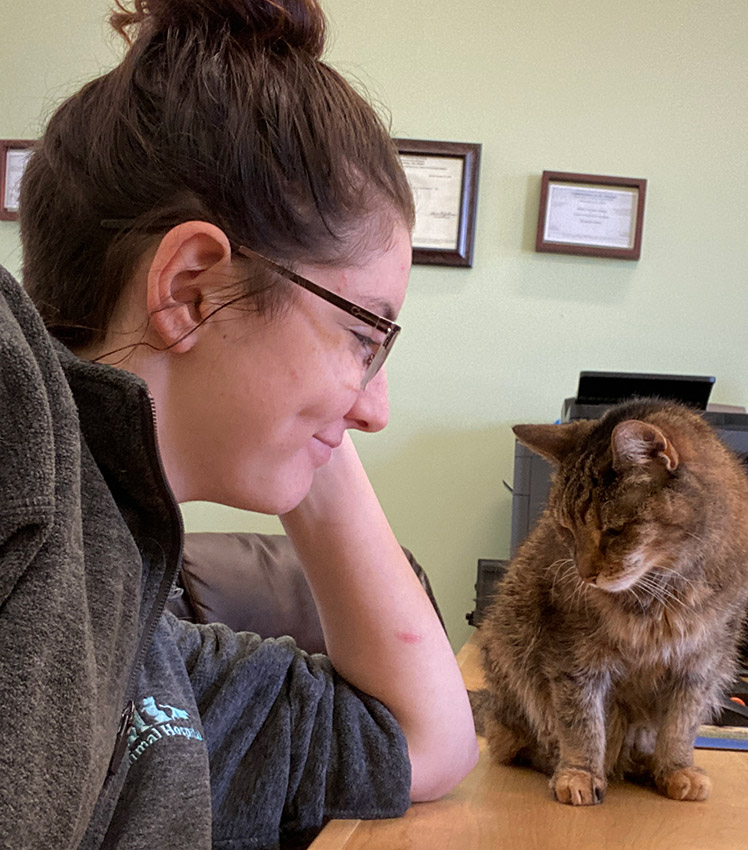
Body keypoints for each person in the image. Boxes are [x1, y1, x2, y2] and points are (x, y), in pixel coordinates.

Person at [0, 0, 478, 847]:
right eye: (366, 336)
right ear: (192, 286)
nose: (378, 408)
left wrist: (317, 412)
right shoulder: (22, 421)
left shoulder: (155, 665)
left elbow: (427, 742)